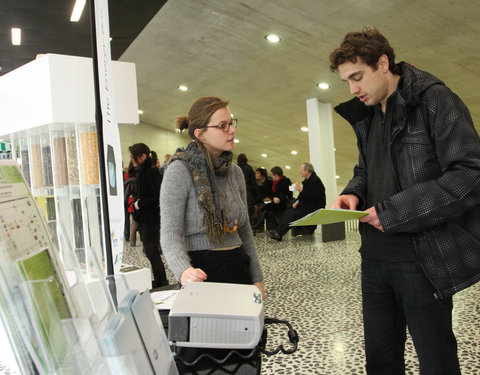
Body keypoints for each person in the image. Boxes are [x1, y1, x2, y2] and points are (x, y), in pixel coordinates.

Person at [329, 26, 480, 375]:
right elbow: (366, 168)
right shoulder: (367, 116)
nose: (353, 90)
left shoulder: (434, 100)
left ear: (383, 63)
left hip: (423, 259)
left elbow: (469, 174)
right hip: (375, 259)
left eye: (357, 77)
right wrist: (354, 190)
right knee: (380, 361)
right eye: (346, 82)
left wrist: (394, 211)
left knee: (436, 360)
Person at [160, 96, 266, 299]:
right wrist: (183, 271)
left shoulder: (235, 172)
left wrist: (257, 278)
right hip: (202, 274)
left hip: (238, 269)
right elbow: (170, 234)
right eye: (222, 126)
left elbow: (245, 233)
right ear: (200, 134)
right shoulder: (179, 171)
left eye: (231, 123)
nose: (232, 130)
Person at [129, 143, 168, 288]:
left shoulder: (151, 173)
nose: (131, 161)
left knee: (152, 252)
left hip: (151, 219)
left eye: (133, 158)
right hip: (144, 218)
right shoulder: (141, 172)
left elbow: (159, 197)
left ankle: (162, 282)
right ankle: (159, 280)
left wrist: (140, 203)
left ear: (143, 157)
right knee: (150, 253)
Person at [265, 162, 325, 241]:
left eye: (301, 170)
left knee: (293, 214)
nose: (300, 172)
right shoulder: (308, 180)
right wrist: (296, 202)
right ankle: (278, 232)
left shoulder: (315, 181)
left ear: (306, 171)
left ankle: (278, 233)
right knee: (289, 212)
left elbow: (313, 196)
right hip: (307, 205)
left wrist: (301, 190)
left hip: (313, 208)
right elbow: (302, 196)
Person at [264, 166, 292, 230]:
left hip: (283, 203)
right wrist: (273, 198)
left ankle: (274, 229)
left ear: (276, 175)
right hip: (275, 202)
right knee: (267, 207)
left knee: (267, 208)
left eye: (272, 175)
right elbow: (271, 194)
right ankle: (274, 229)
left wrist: (280, 200)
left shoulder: (286, 181)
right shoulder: (273, 183)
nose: (272, 176)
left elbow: (289, 195)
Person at [251, 167, 273, 231]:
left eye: (258, 173)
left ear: (262, 175)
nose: (256, 174)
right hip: (258, 201)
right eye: (255, 173)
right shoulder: (254, 183)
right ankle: (255, 226)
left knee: (260, 208)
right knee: (256, 207)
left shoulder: (269, 182)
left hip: (268, 201)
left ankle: (255, 226)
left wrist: (267, 198)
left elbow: (271, 193)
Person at [236, 153, 256, 220]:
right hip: (248, 192)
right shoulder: (249, 168)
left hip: (237, 192)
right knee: (248, 211)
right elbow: (253, 182)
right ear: (246, 160)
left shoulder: (235, 168)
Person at [124, 161, 138, 246]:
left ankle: (130, 239)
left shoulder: (126, 175)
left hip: (128, 200)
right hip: (135, 200)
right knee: (135, 221)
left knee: (130, 220)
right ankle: (133, 240)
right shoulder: (138, 175)